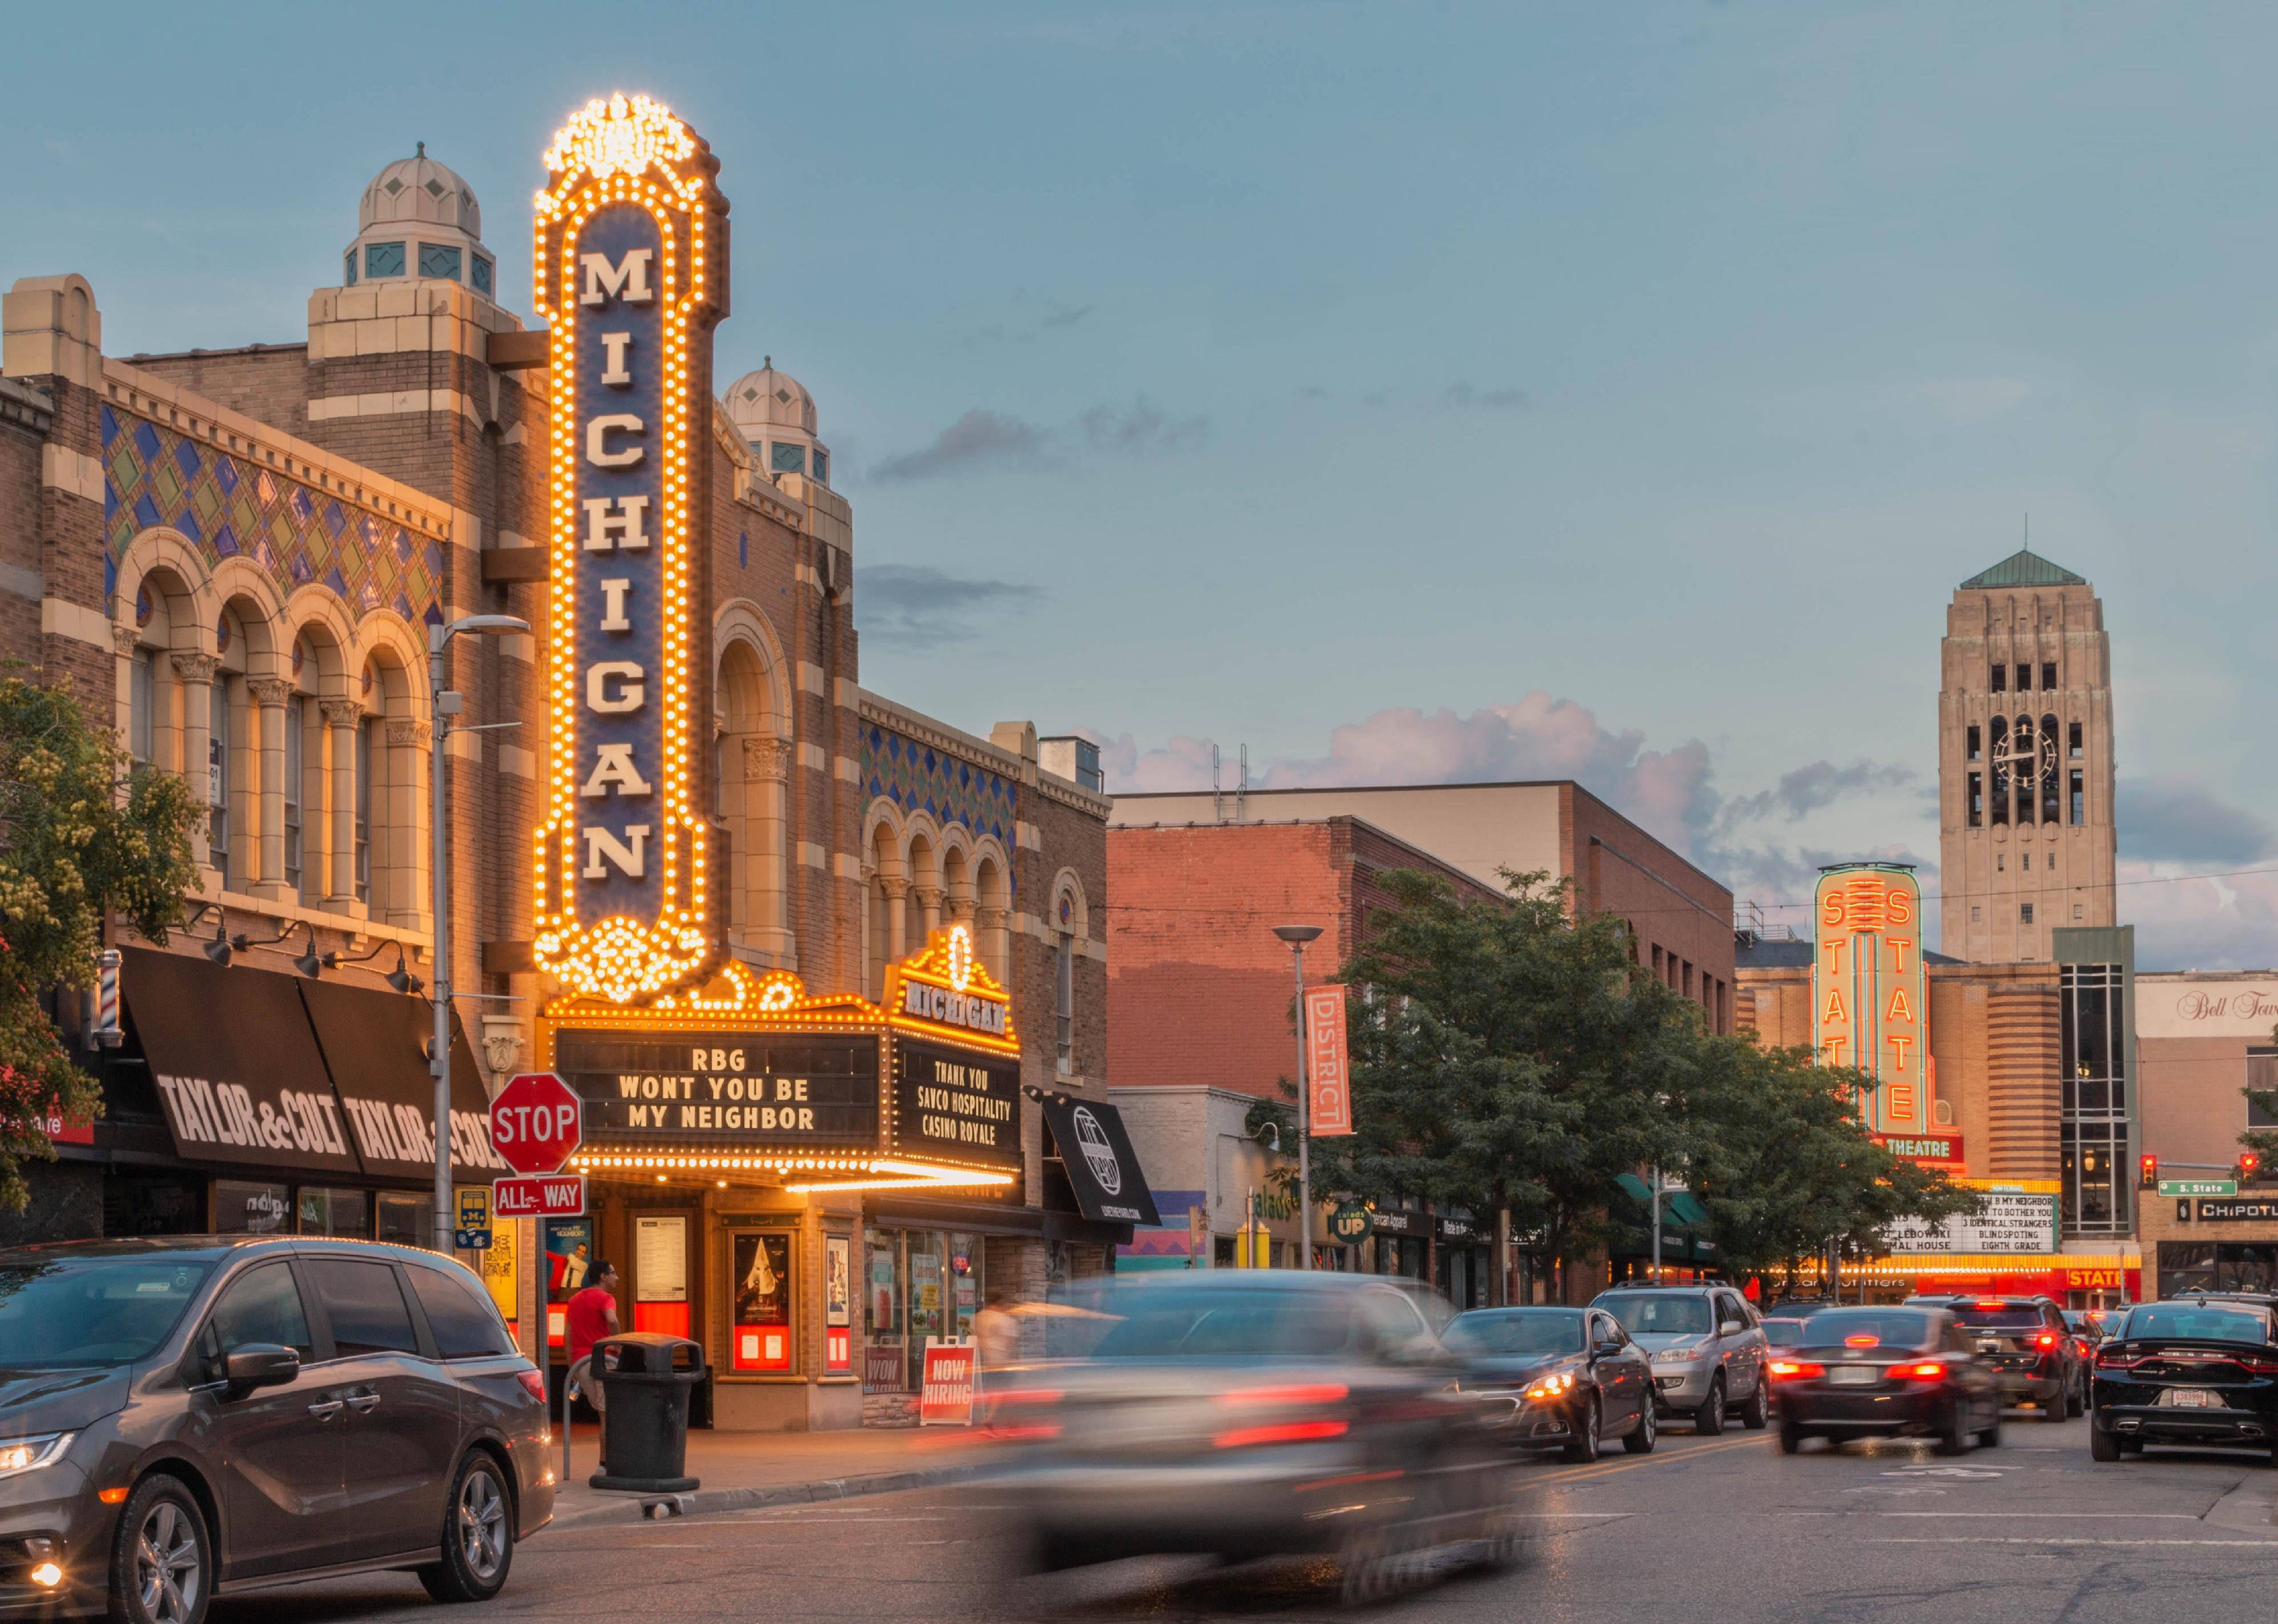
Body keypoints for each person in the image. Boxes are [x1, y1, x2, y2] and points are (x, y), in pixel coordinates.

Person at [565, 1259, 621, 1418]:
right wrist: (617, 1346)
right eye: (613, 1273)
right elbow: (612, 1320)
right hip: (603, 1361)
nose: (617, 1277)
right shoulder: (606, 1298)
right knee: (609, 1417)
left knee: (602, 1414)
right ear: (603, 1277)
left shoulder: (574, 1300)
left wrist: (573, 1370)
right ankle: (612, 1445)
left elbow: (567, 1337)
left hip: (581, 1363)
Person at [973, 1283, 1018, 1369]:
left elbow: (977, 1338)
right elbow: (1009, 1341)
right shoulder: (1005, 1319)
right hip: (1000, 1360)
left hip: (983, 1360)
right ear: (1000, 1303)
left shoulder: (980, 1317)